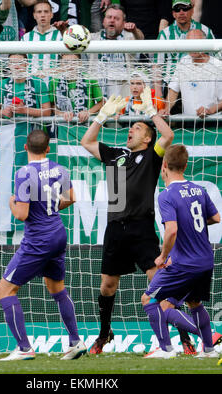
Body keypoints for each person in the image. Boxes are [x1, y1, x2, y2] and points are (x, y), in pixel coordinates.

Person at [80, 88, 197, 355]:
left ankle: (184, 339)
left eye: (137, 128)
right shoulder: (116, 155)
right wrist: (101, 117)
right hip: (115, 228)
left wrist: (151, 113)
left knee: (159, 281)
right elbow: (86, 142)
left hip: (142, 227)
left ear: (147, 137)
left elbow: (169, 135)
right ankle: (104, 334)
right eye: (130, 127)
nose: (130, 131)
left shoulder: (153, 156)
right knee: (107, 286)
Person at [0, 129, 87, 361]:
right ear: (48, 148)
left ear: (25, 147)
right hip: (58, 233)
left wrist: (11, 204)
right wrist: (51, 209)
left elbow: (22, 213)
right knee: (57, 288)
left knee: (4, 290)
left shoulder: (24, 172)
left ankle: (24, 348)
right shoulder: (61, 169)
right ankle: (76, 341)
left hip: (38, 239)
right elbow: (72, 197)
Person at [141, 144, 221, 358]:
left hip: (183, 263)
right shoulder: (199, 190)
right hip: (206, 260)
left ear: (164, 165)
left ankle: (166, 350)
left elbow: (172, 230)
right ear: (185, 165)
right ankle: (210, 349)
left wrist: (162, 256)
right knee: (194, 303)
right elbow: (216, 218)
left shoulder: (167, 195)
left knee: (150, 300)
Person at [153, 0, 215, 98]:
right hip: (170, 87)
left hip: (200, 84)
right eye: (177, 9)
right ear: (173, 13)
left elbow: (215, 61)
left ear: (192, 10)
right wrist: (158, 92)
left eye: (185, 8)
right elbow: (157, 65)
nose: (181, 12)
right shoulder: (164, 34)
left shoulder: (205, 31)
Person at [161, 29, 222, 117]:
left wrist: (209, 111)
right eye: (190, 43)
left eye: (197, 43)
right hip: (188, 122)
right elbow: (173, 91)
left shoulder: (218, 65)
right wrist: (166, 110)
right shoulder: (183, 62)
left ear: (205, 44)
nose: (193, 47)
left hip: (212, 123)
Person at [88, 4, 144, 99]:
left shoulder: (129, 37)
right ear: (104, 21)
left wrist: (134, 30)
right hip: (97, 94)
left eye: (117, 18)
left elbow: (140, 38)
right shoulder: (93, 38)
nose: (112, 20)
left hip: (124, 93)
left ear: (123, 23)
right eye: (109, 17)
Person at [0, 53, 51, 119]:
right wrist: (4, 112)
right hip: (9, 126)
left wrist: (24, 110)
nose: (16, 67)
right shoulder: (3, 84)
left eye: (20, 63)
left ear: (26, 64)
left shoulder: (38, 82)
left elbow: (47, 112)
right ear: (9, 65)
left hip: (32, 126)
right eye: (13, 63)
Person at [49, 53, 105, 124]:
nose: (70, 66)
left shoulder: (89, 79)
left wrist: (88, 112)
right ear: (60, 64)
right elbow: (51, 105)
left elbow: (102, 102)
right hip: (65, 126)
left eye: (74, 62)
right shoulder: (54, 81)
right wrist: (62, 114)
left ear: (80, 63)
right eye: (66, 62)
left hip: (88, 124)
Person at [21, 0, 62, 80]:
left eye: (46, 12)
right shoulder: (26, 38)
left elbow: (67, 63)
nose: (43, 15)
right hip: (31, 84)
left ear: (51, 14)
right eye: (39, 12)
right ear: (34, 15)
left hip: (54, 84)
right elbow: (21, 63)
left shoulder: (60, 36)